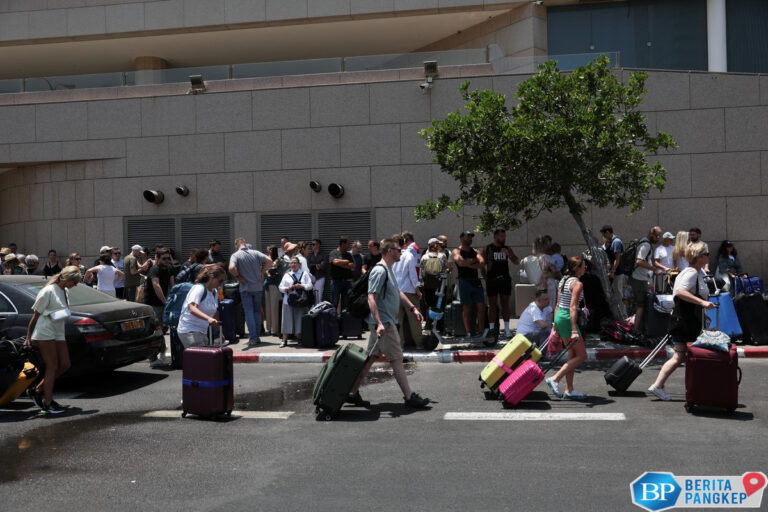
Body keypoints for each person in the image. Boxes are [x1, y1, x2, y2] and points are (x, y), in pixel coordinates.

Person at [346, 238, 430, 409]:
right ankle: (409, 397)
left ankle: (352, 393)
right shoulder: (380, 271)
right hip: (385, 324)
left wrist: (413, 308)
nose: (401, 253)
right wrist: (379, 323)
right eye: (399, 250)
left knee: (369, 359)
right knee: (397, 359)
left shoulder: (389, 269)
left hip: (384, 323)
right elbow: (371, 297)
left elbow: (397, 291)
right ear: (390, 251)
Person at [648, 242, 715, 401]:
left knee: (684, 356)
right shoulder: (691, 273)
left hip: (686, 321)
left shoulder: (695, 272)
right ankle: (658, 386)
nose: (708, 256)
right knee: (680, 356)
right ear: (699, 257)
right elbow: (680, 292)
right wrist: (702, 303)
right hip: (685, 322)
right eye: (706, 254)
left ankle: (690, 387)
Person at [24, 266, 82, 414]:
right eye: (74, 282)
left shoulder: (64, 291)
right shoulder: (48, 291)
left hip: (58, 331)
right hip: (45, 331)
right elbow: (35, 316)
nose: (75, 286)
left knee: (65, 364)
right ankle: (48, 404)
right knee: (52, 366)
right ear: (67, 279)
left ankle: (37, 390)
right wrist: (28, 336)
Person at [544, 256, 589, 400]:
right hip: (568, 318)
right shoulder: (577, 284)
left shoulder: (563, 280)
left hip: (560, 317)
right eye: (583, 266)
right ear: (577, 268)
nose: (585, 268)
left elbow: (557, 304)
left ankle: (569, 389)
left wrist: (555, 324)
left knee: (572, 355)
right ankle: (555, 379)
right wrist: (574, 329)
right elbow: (573, 307)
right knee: (582, 356)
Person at [229, 237, 271, 348]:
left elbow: (231, 268)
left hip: (246, 288)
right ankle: (256, 336)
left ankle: (253, 338)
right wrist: (262, 272)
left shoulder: (236, 255)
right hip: (258, 287)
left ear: (236, 245)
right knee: (257, 311)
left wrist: (238, 276)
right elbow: (270, 261)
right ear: (245, 244)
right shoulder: (255, 252)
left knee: (249, 313)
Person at [176, 265, 224, 348]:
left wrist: (220, 332)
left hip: (202, 331)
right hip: (189, 330)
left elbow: (215, 312)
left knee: (202, 358)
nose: (222, 283)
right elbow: (192, 308)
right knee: (200, 359)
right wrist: (208, 318)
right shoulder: (199, 288)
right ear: (212, 277)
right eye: (220, 280)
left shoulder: (214, 292)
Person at [483, 229, 520, 338]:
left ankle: (507, 329)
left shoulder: (507, 248)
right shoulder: (488, 248)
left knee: (505, 304)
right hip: (492, 279)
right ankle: (491, 329)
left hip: (504, 279)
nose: (503, 238)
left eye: (504, 236)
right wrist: (485, 277)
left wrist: (509, 254)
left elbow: (516, 261)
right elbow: (481, 264)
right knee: (492, 305)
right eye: (501, 236)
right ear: (495, 237)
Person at [452, 231, 486, 337]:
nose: (470, 239)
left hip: (476, 281)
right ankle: (468, 332)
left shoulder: (475, 250)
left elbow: (482, 263)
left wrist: (469, 263)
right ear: (461, 238)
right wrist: (474, 262)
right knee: (467, 307)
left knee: (481, 306)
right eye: (468, 237)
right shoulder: (456, 251)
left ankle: (481, 332)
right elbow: (460, 262)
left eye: (471, 237)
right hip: (464, 281)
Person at [630, 226, 663, 336]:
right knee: (641, 305)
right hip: (639, 279)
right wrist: (654, 269)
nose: (658, 239)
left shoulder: (645, 241)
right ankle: (636, 330)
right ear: (651, 233)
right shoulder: (646, 244)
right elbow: (639, 261)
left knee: (641, 304)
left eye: (659, 237)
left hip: (641, 277)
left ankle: (638, 328)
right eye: (657, 236)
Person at [392, 234, 423, 347]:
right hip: (409, 291)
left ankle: (400, 345)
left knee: (397, 321)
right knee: (415, 320)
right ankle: (419, 344)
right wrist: (418, 290)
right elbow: (413, 275)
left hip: (395, 292)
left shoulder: (390, 256)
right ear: (404, 243)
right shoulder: (409, 255)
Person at [147, 249, 175, 368]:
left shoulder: (169, 269)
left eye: (169, 258)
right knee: (155, 331)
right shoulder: (154, 269)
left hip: (165, 303)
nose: (167, 260)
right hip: (154, 303)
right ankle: (153, 359)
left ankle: (162, 350)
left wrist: (174, 300)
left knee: (162, 329)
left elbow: (172, 285)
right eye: (164, 258)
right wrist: (165, 302)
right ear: (158, 258)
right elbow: (156, 285)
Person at [278, 257, 314, 348]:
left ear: (299, 264)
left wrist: (301, 286)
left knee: (299, 320)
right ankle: (284, 340)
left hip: (301, 301)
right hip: (288, 301)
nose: (293, 265)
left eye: (295, 263)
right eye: (292, 263)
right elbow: (280, 287)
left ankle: (299, 339)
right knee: (286, 320)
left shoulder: (304, 274)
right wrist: (287, 288)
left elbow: (310, 286)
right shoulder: (287, 275)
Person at [600, 225, 627, 319]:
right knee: (616, 294)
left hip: (617, 273)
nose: (603, 237)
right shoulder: (610, 242)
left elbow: (617, 259)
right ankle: (619, 315)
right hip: (614, 272)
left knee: (619, 295)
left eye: (603, 234)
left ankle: (624, 316)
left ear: (607, 232)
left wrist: (612, 271)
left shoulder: (616, 242)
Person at [420, 238, 447, 330]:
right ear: (435, 245)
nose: (439, 245)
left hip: (427, 285)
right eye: (438, 244)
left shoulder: (424, 257)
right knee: (439, 304)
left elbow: (422, 271)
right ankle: (439, 326)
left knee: (429, 305)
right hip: (439, 285)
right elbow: (444, 269)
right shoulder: (442, 256)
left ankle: (429, 324)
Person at [328, 237, 355, 311]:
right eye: (347, 244)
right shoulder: (333, 253)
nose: (349, 246)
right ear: (342, 244)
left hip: (346, 282)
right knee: (334, 302)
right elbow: (334, 262)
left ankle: (343, 321)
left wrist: (340, 263)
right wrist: (346, 261)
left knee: (345, 304)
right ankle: (333, 320)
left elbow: (352, 265)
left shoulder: (348, 254)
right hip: (336, 282)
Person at [264, 246, 285, 337]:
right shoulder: (266, 259)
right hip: (267, 285)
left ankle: (275, 329)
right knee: (268, 308)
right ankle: (268, 328)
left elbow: (275, 267)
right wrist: (268, 273)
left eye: (271, 249)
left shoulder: (279, 259)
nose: (268, 251)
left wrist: (272, 272)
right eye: (268, 249)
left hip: (276, 285)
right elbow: (266, 271)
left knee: (274, 308)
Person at [307, 239, 328, 304]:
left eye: (313, 244)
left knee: (319, 297)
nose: (312, 246)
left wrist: (314, 266)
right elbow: (308, 266)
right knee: (311, 297)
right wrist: (316, 265)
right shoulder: (310, 256)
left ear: (318, 245)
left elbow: (322, 266)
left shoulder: (324, 255)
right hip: (310, 279)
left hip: (319, 278)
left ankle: (317, 312)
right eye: (311, 244)